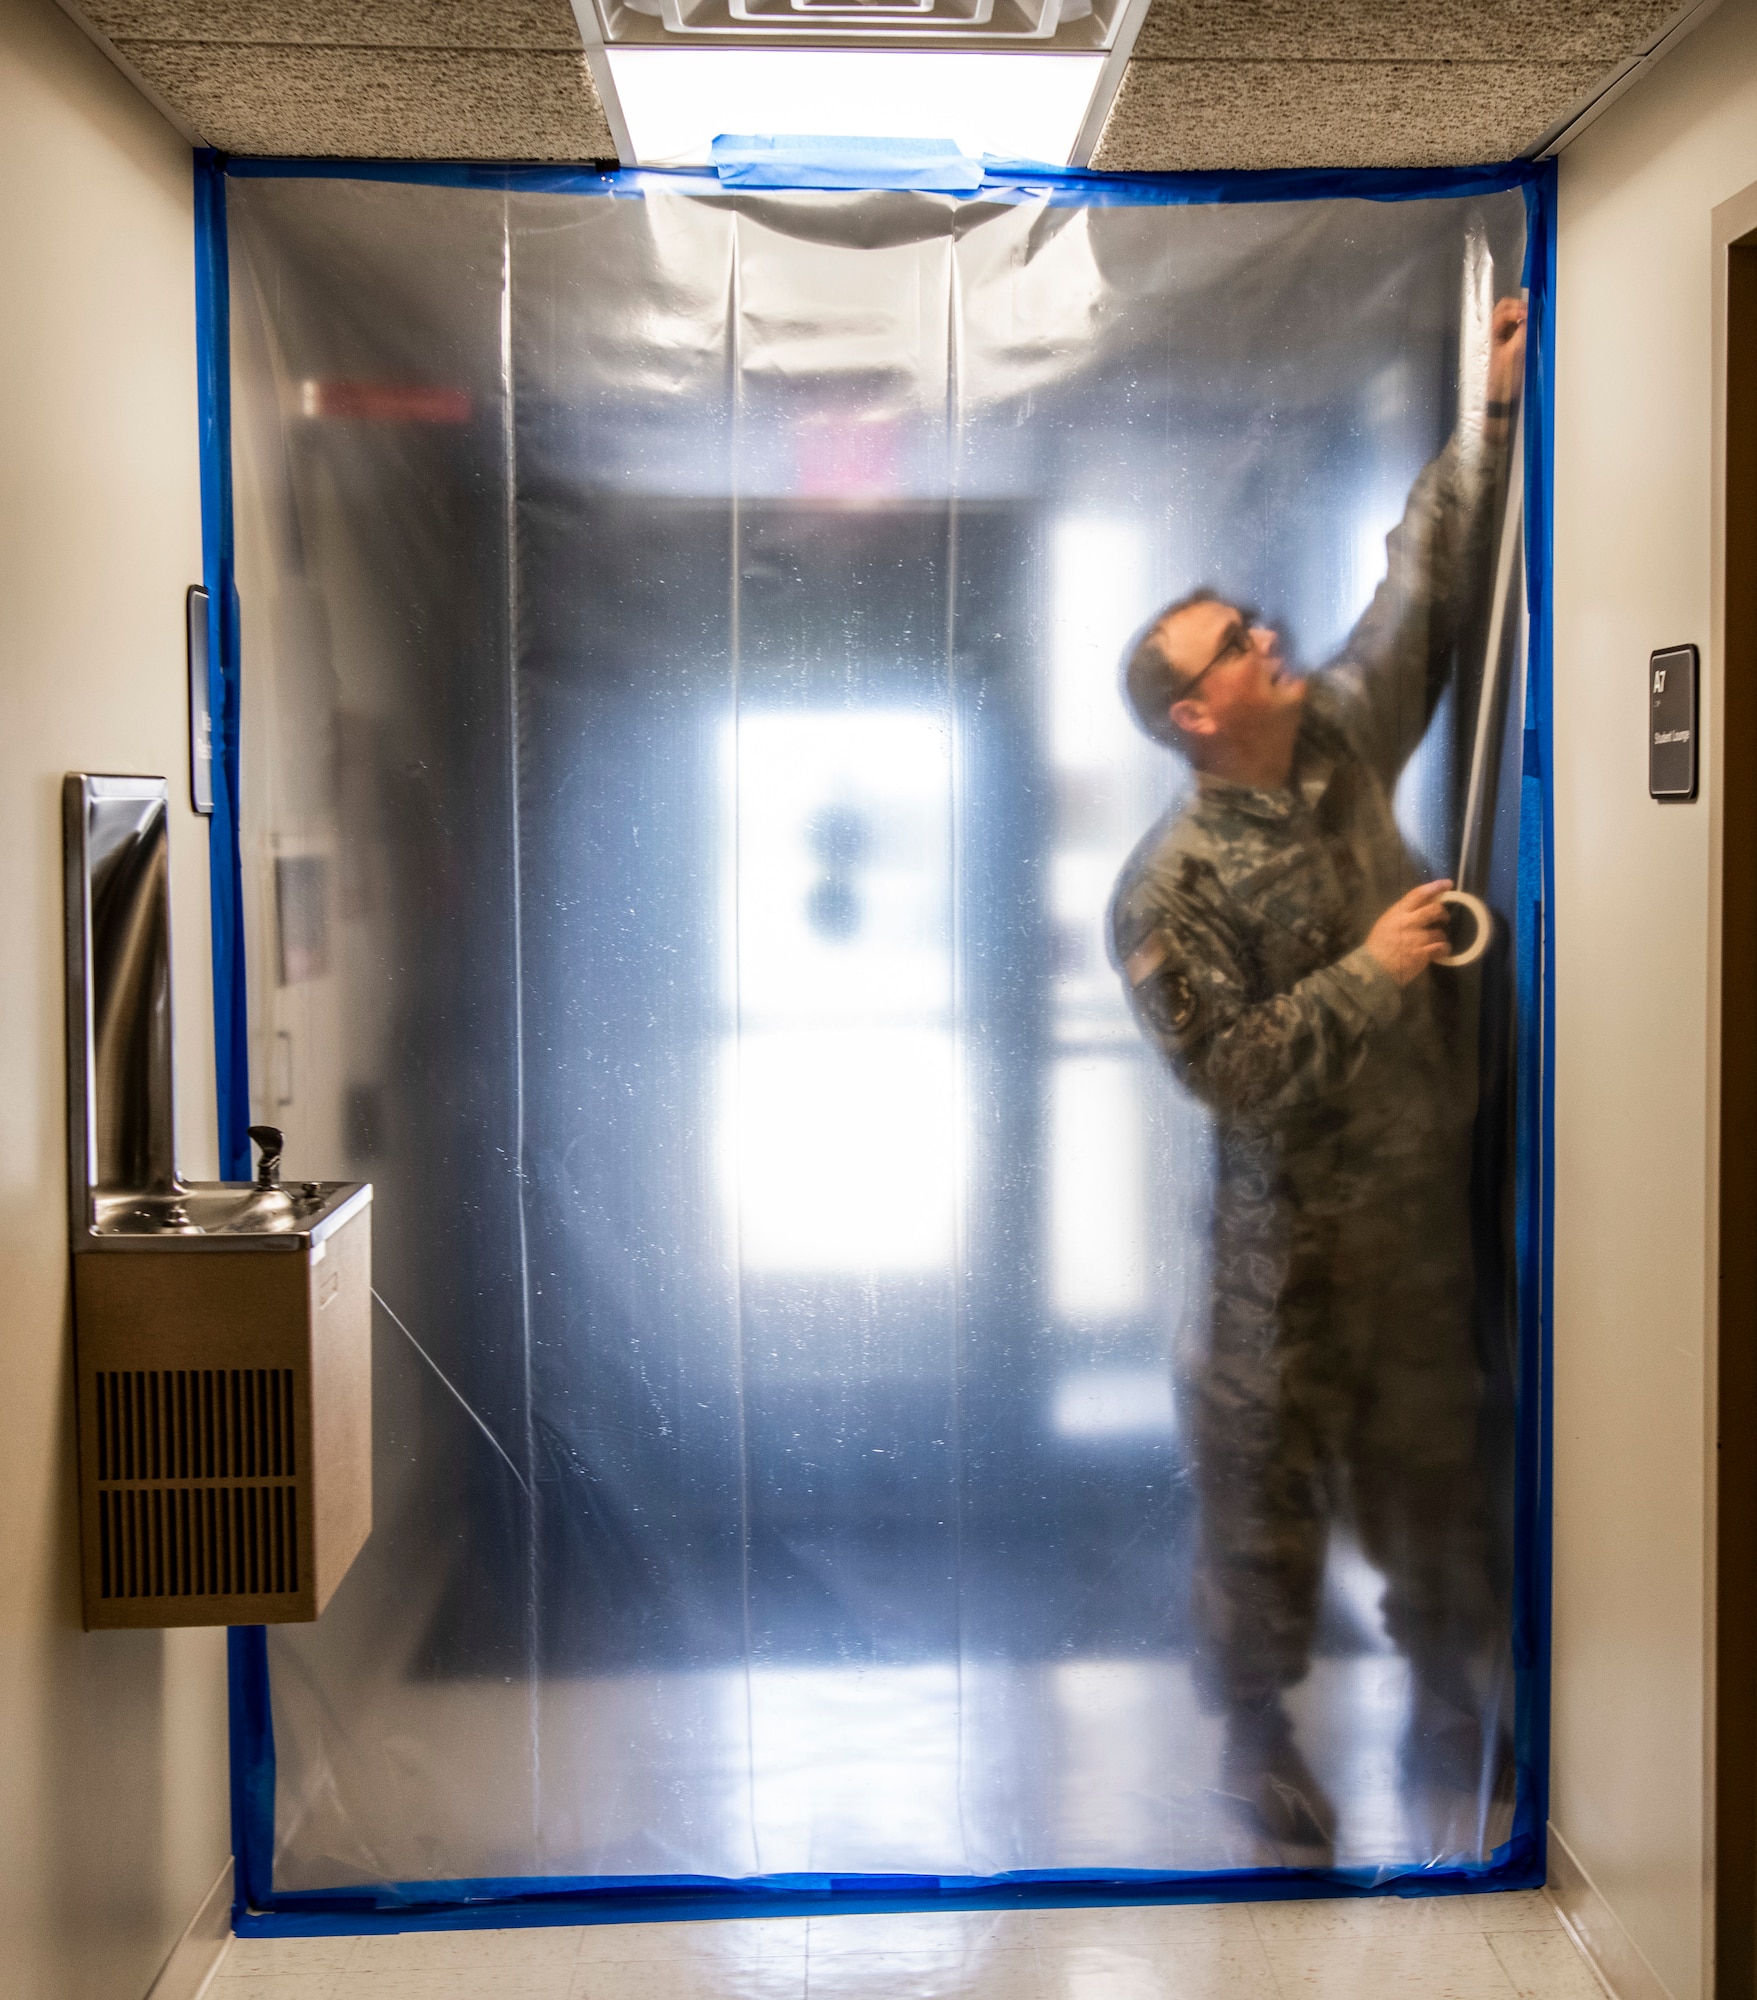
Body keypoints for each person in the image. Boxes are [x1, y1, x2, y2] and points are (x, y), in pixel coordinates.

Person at [1109, 297, 1528, 1863]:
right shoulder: (1169, 891)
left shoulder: (1341, 741)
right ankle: (1258, 1740)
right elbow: (1227, 1070)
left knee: (1431, 1465)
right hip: (1283, 1256)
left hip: (1416, 1211)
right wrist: (1375, 970)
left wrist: (1485, 423)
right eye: (1235, 646)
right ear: (1194, 713)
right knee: (1265, 1511)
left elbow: (1410, 600)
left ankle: (1441, 1695)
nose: (1268, 640)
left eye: (1252, 625)